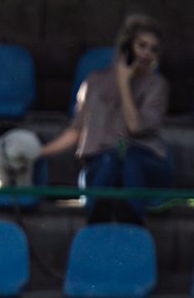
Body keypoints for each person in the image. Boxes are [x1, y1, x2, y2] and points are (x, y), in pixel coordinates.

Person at [38, 15, 172, 225]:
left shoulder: (157, 85)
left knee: (127, 159)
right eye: (142, 46)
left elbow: (134, 127)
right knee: (109, 161)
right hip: (102, 162)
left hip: (145, 162)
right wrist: (39, 153)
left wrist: (124, 81)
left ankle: (134, 220)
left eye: (153, 49)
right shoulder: (94, 81)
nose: (147, 53)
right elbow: (76, 130)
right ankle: (96, 222)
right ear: (126, 45)